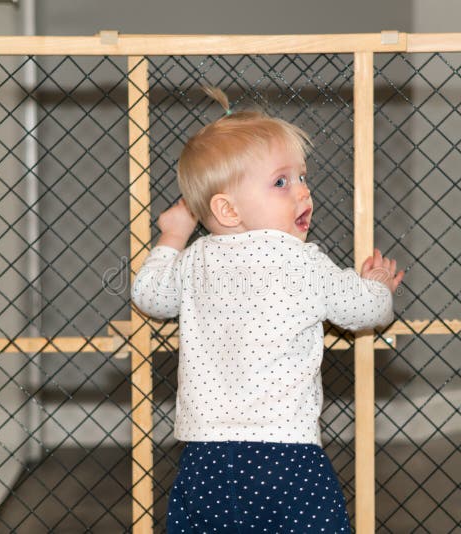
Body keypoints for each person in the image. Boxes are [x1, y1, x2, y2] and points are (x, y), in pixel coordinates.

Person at [131, 87, 404, 533]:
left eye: (301, 177)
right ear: (227, 209)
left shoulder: (195, 259)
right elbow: (363, 310)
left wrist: (173, 236)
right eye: (281, 182)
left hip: (206, 455)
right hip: (286, 455)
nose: (302, 192)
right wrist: (376, 285)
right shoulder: (301, 260)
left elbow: (150, 297)